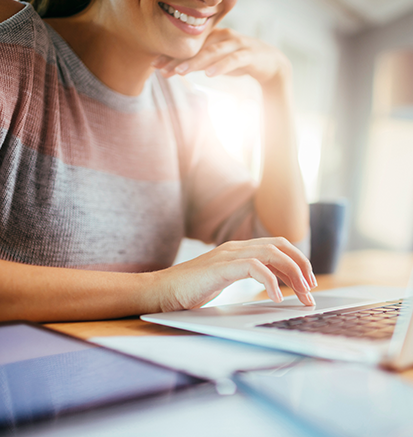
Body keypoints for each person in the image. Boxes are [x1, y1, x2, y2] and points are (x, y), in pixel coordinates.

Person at [0, 0, 316, 323]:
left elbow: (284, 257)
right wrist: (159, 289)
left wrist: (277, 82)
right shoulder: (11, 52)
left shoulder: (181, 108)